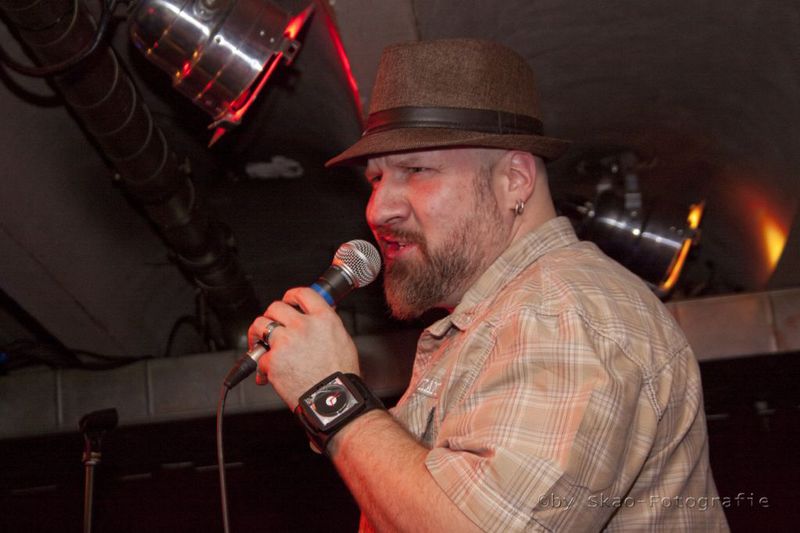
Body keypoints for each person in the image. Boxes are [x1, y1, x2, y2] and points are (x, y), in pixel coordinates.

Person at [249, 39, 728, 532]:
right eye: (375, 180)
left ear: (514, 179)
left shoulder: (564, 312)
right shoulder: (501, 322)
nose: (378, 209)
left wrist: (332, 397)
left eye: (416, 170)